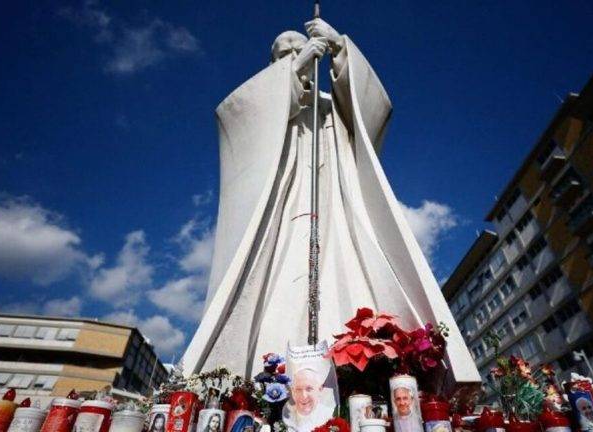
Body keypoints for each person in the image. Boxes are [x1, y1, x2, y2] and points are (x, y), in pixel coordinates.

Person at [180, 13, 477, 385]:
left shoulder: (330, 107)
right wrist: (300, 64)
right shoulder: (268, 106)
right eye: (286, 54)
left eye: (300, 48)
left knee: (344, 282)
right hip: (280, 213)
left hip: (334, 206)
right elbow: (236, 114)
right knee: (277, 290)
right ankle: (259, 378)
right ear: (274, 64)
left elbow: (374, 110)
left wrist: (338, 47)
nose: (297, 55)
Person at [283, 366, 335, 432]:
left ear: (320, 390)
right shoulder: (286, 416)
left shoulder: (330, 416)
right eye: (298, 389)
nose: (303, 396)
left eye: (309, 389)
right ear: (293, 391)